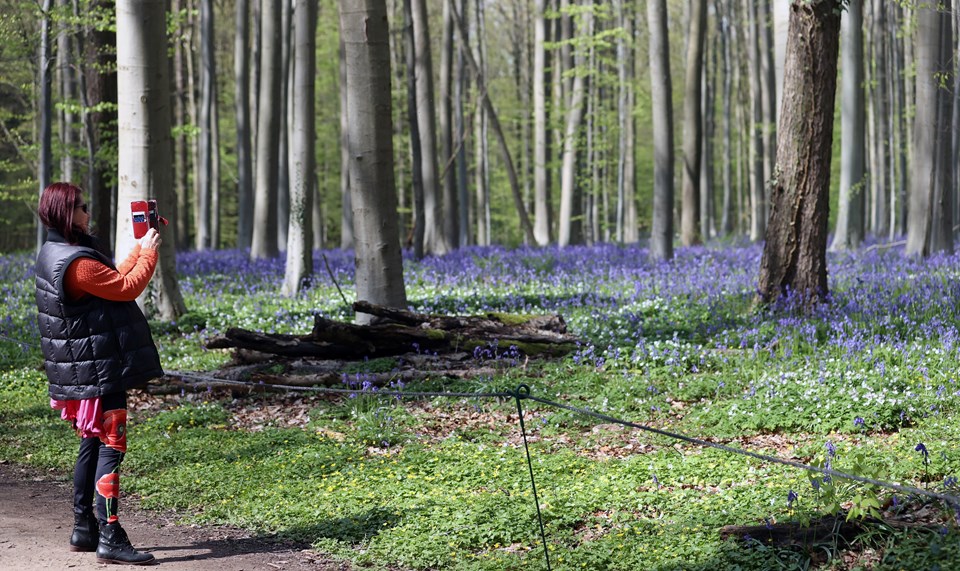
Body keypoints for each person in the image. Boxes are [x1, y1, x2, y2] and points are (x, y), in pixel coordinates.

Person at [35, 182, 162, 565]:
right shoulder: (76, 262)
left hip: (84, 369)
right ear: (65, 212)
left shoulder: (55, 253)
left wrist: (141, 248)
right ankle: (110, 534)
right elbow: (126, 287)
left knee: (92, 443)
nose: (88, 213)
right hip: (99, 368)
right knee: (112, 445)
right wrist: (151, 255)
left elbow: (111, 283)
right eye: (82, 207)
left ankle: (83, 527)